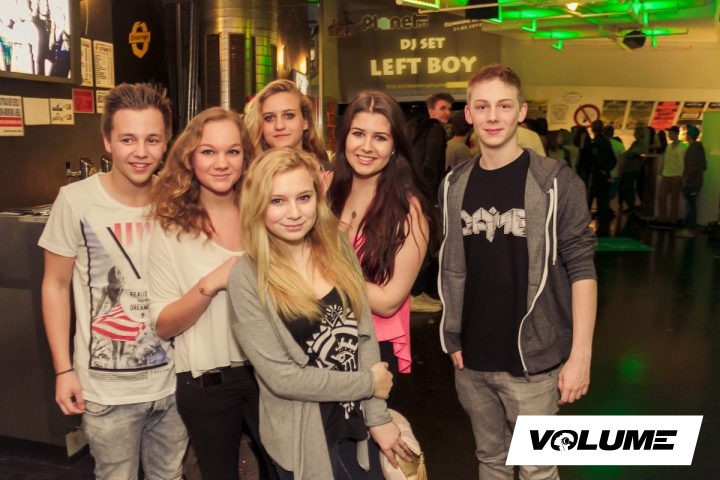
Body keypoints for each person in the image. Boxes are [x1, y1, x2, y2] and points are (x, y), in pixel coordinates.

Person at [439, 64, 597, 479]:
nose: (493, 116)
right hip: (471, 360)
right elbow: (453, 265)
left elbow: (582, 267)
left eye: (504, 106)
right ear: (469, 114)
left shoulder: (556, 182)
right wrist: (452, 334)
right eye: (482, 106)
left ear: (521, 112)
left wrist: (580, 355)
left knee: (537, 467)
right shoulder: (454, 184)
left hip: (533, 361)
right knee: (490, 459)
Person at [227, 147, 413, 479]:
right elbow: (283, 378)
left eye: (304, 197)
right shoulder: (247, 275)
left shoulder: (338, 246)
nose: (294, 213)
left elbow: (364, 335)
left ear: (318, 197)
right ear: (257, 206)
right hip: (304, 439)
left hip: (356, 426)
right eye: (277, 201)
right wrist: (368, 384)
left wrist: (377, 418)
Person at [39, 83, 187, 479]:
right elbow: (55, 286)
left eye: (152, 139)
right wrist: (62, 370)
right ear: (107, 141)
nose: (140, 152)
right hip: (106, 391)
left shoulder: (177, 201)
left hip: (174, 383)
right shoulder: (75, 200)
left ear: (166, 143)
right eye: (127, 139)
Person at [148, 107, 276, 479]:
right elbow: (163, 324)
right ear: (189, 158)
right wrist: (211, 283)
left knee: (285, 471)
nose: (221, 163)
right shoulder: (170, 228)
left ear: (246, 158)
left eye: (232, 151)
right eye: (208, 151)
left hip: (272, 375)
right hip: (208, 383)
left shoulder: (265, 216)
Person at [327, 90, 435, 375]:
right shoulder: (325, 189)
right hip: (320, 336)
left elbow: (388, 302)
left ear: (395, 146)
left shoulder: (408, 211)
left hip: (372, 346)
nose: (366, 147)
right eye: (358, 134)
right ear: (345, 138)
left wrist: (321, 270)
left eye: (380, 138)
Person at [244, 78, 330, 171]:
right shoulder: (249, 174)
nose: (279, 126)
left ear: (305, 122)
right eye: (269, 118)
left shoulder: (329, 174)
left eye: (289, 115)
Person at [411, 92, 453, 197]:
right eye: (443, 108)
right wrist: (430, 194)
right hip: (427, 191)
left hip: (415, 185)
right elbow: (431, 164)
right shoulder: (436, 128)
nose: (448, 112)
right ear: (431, 111)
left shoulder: (419, 128)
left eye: (449, 109)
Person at [676, 125, 707, 238]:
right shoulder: (698, 147)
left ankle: (690, 229)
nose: (685, 135)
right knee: (691, 204)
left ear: (689, 135)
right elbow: (703, 166)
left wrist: (686, 179)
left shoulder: (693, 148)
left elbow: (692, 167)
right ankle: (689, 228)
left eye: (687, 133)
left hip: (692, 182)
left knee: (691, 206)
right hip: (695, 181)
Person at [655, 125, 686, 226]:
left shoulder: (683, 147)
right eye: (669, 134)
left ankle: (672, 219)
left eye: (671, 133)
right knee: (661, 196)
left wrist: (682, 176)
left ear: (676, 134)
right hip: (666, 174)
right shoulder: (668, 146)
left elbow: (684, 162)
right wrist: (662, 170)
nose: (669, 135)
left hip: (677, 175)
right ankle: (662, 217)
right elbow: (666, 159)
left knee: (674, 198)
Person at [618, 126, 648, 215]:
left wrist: (626, 155)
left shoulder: (640, 143)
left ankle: (632, 207)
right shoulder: (637, 142)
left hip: (632, 169)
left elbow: (634, 153)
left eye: (635, 132)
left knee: (627, 188)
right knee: (628, 188)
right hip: (631, 168)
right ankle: (631, 207)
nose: (634, 134)